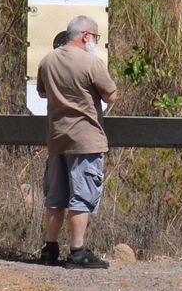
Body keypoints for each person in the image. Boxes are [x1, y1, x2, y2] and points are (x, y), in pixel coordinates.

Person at [35, 14, 119, 269]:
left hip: (57, 137)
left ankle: (50, 250)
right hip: (85, 139)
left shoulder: (48, 60)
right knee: (82, 196)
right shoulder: (91, 62)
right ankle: (77, 251)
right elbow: (111, 95)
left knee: (55, 197)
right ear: (86, 36)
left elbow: (41, 92)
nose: (95, 41)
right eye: (95, 36)